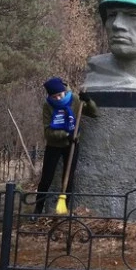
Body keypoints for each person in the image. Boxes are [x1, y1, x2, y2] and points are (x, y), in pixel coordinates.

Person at [33, 77, 98, 217]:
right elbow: (48, 132)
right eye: (54, 96)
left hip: (72, 144)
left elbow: (94, 113)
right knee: (46, 178)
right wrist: (65, 134)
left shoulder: (74, 99)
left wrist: (88, 101)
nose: (57, 98)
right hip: (54, 145)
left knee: (68, 178)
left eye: (59, 95)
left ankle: (64, 209)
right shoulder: (47, 105)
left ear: (64, 91)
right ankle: (37, 209)